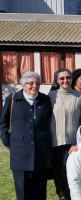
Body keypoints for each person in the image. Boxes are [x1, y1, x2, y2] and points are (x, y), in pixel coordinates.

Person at [0, 72, 52, 200]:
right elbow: (3, 122)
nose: (34, 86)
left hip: (41, 152)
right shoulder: (12, 99)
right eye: (31, 83)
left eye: (37, 83)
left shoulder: (45, 100)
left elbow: (49, 120)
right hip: (20, 153)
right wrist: (8, 142)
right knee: (23, 192)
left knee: (40, 191)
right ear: (22, 85)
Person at [48, 68, 81, 200]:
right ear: (57, 80)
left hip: (73, 143)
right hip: (55, 142)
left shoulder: (79, 97)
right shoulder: (51, 96)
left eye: (68, 77)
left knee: (73, 174)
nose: (65, 80)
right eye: (62, 78)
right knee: (59, 174)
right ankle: (62, 195)